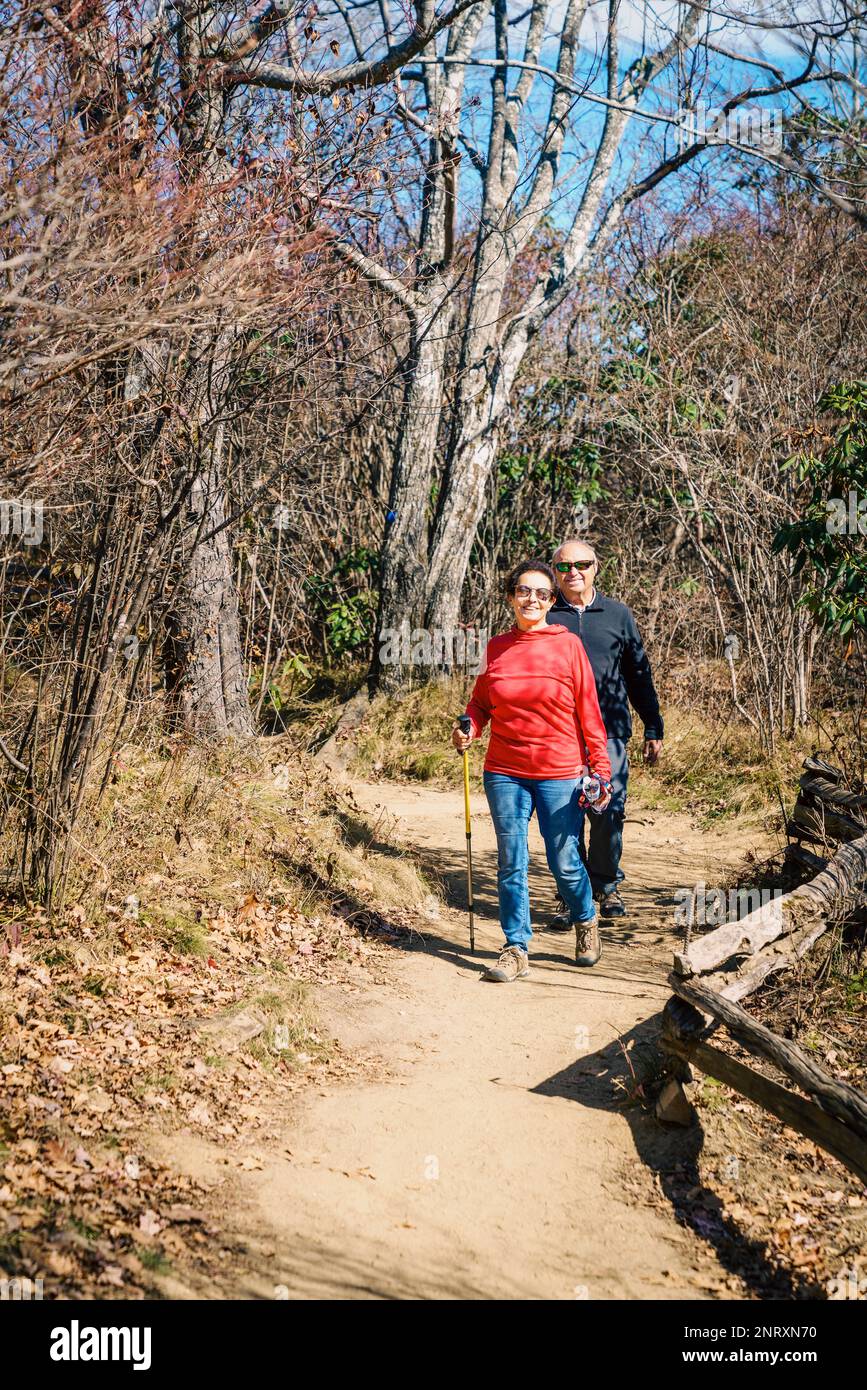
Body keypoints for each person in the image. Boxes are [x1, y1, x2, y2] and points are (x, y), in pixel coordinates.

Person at [451, 559, 612, 981]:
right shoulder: (496, 647)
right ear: (511, 596)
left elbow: (589, 712)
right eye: (524, 591)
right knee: (511, 860)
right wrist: (469, 725)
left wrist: (601, 770)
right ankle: (515, 947)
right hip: (505, 770)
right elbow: (481, 703)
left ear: (552, 601)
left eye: (542, 593)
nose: (532, 599)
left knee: (565, 861)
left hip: (560, 771)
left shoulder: (567, 645)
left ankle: (586, 919)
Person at [546, 538, 663, 920]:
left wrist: (652, 726)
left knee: (607, 810)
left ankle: (606, 886)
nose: (573, 572)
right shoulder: (546, 615)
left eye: (582, 564)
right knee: (565, 816)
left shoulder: (618, 615)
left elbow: (638, 673)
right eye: (564, 567)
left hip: (611, 731)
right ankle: (571, 893)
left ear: (597, 567)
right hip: (558, 735)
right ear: (555, 571)